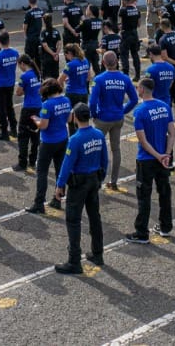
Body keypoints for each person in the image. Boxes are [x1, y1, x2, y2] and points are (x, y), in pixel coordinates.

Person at [53, 103, 107, 275]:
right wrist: (100, 177)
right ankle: (97, 253)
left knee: (73, 220)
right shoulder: (98, 134)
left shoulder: (75, 139)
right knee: (94, 216)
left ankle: (74, 261)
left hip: (79, 182)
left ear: (75, 118)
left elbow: (66, 165)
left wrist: (60, 185)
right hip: (93, 179)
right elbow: (105, 159)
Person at [125, 76, 174, 243]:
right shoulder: (165, 106)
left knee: (144, 196)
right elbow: (172, 133)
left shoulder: (140, 111)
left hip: (147, 159)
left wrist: (158, 155)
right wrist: (166, 154)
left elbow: (143, 141)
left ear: (141, 89)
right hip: (163, 158)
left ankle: (141, 232)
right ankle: (166, 226)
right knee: (164, 192)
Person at [90, 51, 138, 190]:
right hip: (117, 118)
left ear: (103, 63)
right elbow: (134, 99)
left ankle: (96, 179)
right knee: (115, 149)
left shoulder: (99, 79)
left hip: (103, 118)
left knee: (96, 148)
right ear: (117, 61)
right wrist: (123, 111)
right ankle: (114, 180)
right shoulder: (125, 78)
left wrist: (94, 114)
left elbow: (92, 102)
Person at [29, 79, 72, 213]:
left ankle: (39, 203)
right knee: (60, 170)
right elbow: (69, 119)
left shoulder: (47, 104)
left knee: (42, 172)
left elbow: (44, 125)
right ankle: (57, 199)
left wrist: (36, 120)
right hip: (63, 139)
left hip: (48, 142)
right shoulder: (66, 100)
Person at [15, 55, 43, 174]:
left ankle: (22, 163)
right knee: (35, 135)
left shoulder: (24, 76)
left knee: (23, 136)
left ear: (22, 64)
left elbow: (18, 93)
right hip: (38, 107)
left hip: (28, 109)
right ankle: (33, 160)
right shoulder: (37, 74)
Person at [0, 32, 20, 141]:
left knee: (0, 108)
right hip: (10, 83)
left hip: (0, 84)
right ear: (9, 40)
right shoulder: (15, 53)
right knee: (9, 106)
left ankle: (3, 132)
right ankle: (13, 129)